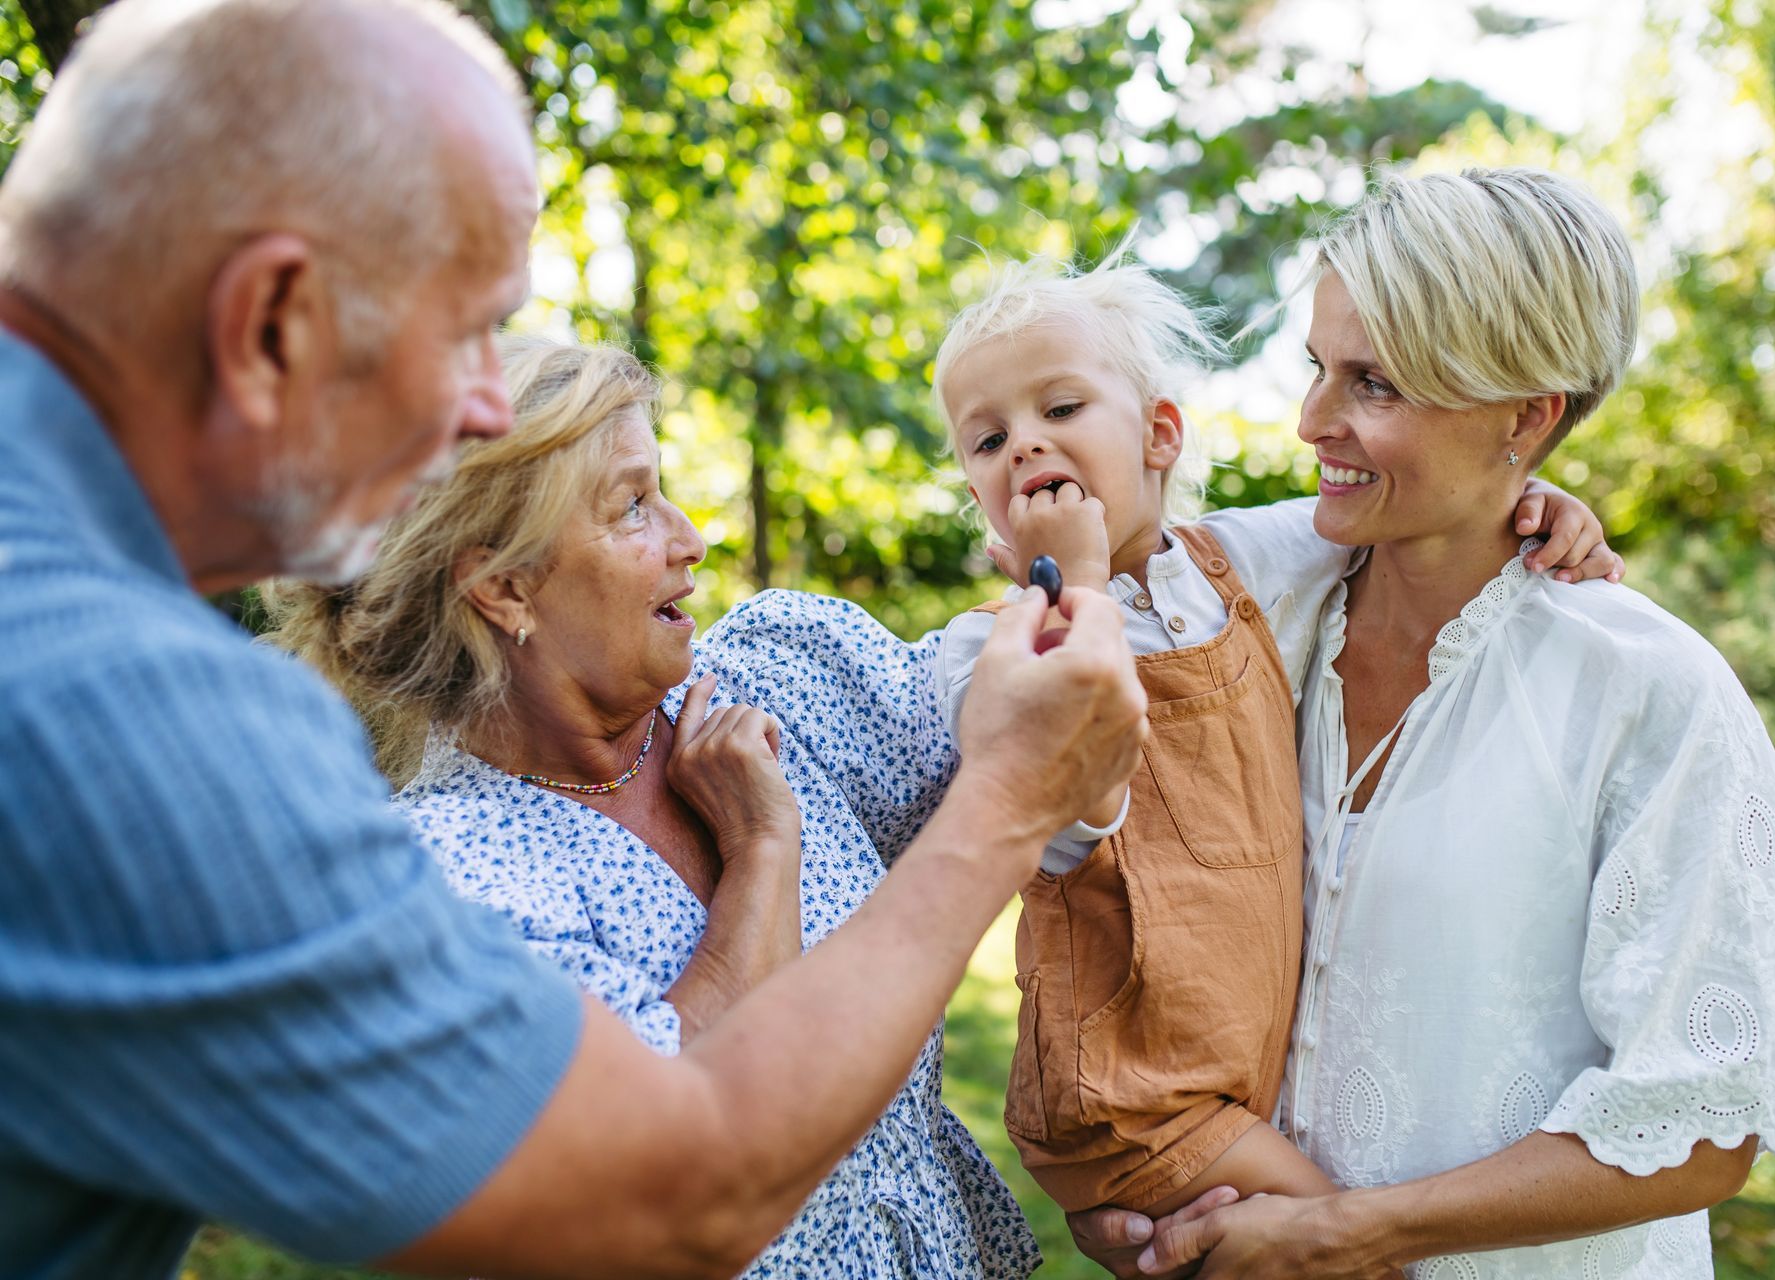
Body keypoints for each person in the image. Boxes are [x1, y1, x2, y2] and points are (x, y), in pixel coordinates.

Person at [0, 3, 1146, 1278]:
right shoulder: (123, 720)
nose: (484, 403)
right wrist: (999, 802)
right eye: (470, 328)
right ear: (274, 313)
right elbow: (660, 1203)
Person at [1064, 168, 1775, 1278]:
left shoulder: (1649, 692)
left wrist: (1337, 1236)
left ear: (1528, 414)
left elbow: (1702, 1126)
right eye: (1319, 367)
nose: (1313, 421)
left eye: (1375, 384)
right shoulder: (1245, 604)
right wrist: (1141, 1194)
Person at [269, 334, 1045, 1276]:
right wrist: (762, 851)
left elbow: (1044, 720)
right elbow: (678, 1143)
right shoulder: (440, 895)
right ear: (502, 587)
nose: (690, 538)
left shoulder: (780, 678)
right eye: (633, 505)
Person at [929, 251, 1623, 1220]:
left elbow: (1419, 509)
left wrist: (1538, 509)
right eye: (988, 437)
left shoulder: (1253, 561)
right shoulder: (988, 650)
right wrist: (1070, 586)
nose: (1025, 447)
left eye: (1061, 408)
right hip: (1132, 1092)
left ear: (1160, 433)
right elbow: (1055, 806)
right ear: (976, 490)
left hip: (1237, 1069)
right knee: (1359, 1248)